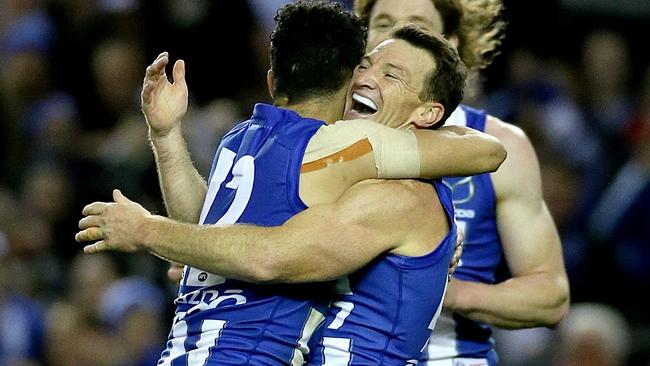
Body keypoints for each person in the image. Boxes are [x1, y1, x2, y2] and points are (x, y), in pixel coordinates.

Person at [76, 2, 505, 365]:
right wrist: (169, 148)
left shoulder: (373, 174)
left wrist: (151, 230)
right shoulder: (332, 160)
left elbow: (268, 255)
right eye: (365, 65)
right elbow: (216, 234)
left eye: (391, 75)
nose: (367, 78)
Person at [353, 0, 570, 364]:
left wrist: (443, 292)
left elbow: (550, 295)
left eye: (417, 25)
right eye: (384, 24)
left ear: (450, 44)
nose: (397, 39)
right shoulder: (325, 136)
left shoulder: (503, 145)